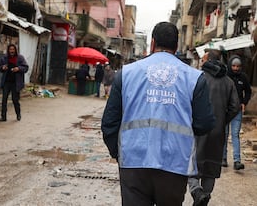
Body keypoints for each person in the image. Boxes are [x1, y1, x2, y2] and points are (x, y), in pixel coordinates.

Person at [101, 22, 215, 206]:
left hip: (133, 161)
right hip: (174, 164)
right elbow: (205, 123)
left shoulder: (126, 74)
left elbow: (109, 122)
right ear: (176, 46)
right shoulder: (194, 78)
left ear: (152, 43)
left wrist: (119, 153)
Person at [188, 50, 239, 206]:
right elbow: (235, 106)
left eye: (203, 58)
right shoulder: (228, 82)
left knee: (192, 164)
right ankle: (205, 197)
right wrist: (222, 120)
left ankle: (197, 191)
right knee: (211, 166)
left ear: (208, 60)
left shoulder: (198, 78)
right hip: (218, 131)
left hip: (198, 130)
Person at [222, 55, 252, 170]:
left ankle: (237, 161)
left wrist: (244, 102)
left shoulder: (243, 77)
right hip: (225, 110)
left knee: (235, 135)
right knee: (224, 135)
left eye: (238, 66)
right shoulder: (225, 76)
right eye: (233, 66)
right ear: (230, 65)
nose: (235, 68)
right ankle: (223, 158)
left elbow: (248, 92)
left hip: (237, 111)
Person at [0, 44, 29, 122]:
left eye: (13, 49)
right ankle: (3, 116)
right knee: (4, 100)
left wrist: (18, 68)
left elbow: (26, 67)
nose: (12, 51)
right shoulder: (4, 58)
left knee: (15, 100)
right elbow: (0, 67)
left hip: (16, 83)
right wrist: (3, 67)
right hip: (6, 82)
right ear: (8, 50)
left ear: (15, 50)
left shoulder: (20, 58)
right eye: (10, 49)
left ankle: (18, 114)